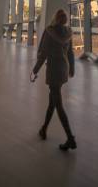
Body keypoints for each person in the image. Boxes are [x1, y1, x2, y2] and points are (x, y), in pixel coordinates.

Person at [31, 9, 76, 151]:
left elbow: (43, 53)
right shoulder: (68, 32)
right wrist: (72, 68)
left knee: (59, 106)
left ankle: (70, 138)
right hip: (63, 70)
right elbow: (70, 52)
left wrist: (36, 70)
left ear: (55, 19)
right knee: (52, 102)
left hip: (53, 71)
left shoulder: (49, 32)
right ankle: (44, 129)